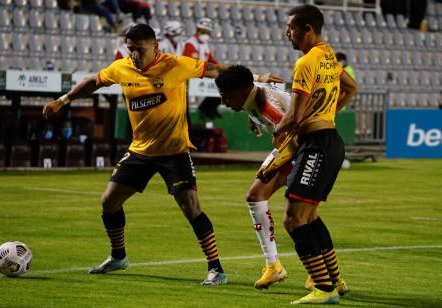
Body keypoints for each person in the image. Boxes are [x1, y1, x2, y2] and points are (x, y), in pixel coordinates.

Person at [42, 24, 281, 285]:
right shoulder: (121, 68)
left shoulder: (174, 65)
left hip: (174, 151)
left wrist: (257, 77)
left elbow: (215, 70)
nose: (134, 55)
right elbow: (93, 82)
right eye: (130, 49)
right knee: (108, 202)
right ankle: (118, 256)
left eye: (139, 49)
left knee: (191, 208)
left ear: (155, 47)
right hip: (140, 151)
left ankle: (216, 269)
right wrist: (63, 100)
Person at [275, 4, 358, 304]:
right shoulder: (328, 55)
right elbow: (352, 87)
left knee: (293, 219)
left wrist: (277, 134)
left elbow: (294, 117)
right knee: (308, 216)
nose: (287, 33)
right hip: (330, 142)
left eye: (291, 28)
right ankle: (335, 281)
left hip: (316, 146)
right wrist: (326, 114)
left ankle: (322, 288)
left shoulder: (305, 63)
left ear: (308, 29)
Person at [214, 65, 291, 289]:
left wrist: (272, 165)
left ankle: (316, 271)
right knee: (258, 197)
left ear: (240, 92)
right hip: (293, 146)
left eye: (225, 97)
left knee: (298, 214)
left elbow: (292, 136)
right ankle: (274, 266)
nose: (224, 103)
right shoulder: (251, 93)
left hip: (302, 148)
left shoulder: (267, 108)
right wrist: (253, 119)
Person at [183, 18, 221, 119]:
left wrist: (220, 68)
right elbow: (189, 64)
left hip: (203, 73)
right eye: (204, 32)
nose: (206, 35)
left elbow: (211, 60)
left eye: (208, 33)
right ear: (198, 30)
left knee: (223, 79)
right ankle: (204, 110)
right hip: (192, 74)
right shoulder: (190, 44)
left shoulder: (205, 45)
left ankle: (210, 109)